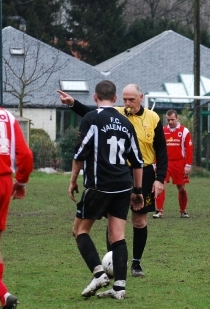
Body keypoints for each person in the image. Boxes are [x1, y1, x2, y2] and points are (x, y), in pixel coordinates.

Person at [58, 84, 168, 278]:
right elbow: (90, 112)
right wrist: (73, 103)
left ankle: (136, 263)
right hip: (119, 172)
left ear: (141, 97)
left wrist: (160, 179)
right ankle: (113, 264)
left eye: (131, 100)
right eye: (124, 99)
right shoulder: (117, 113)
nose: (127, 103)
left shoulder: (153, 118)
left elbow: (161, 149)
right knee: (114, 224)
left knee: (140, 221)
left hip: (144, 172)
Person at [69, 80, 144, 300]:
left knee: (79, 230)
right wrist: (137, 190)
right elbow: (137, 161)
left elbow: (80, 153)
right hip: (123, 185)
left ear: (95, 98)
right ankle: (119, 288)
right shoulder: (125, 122)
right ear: (114, 99)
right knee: (117, 235)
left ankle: (99, 273)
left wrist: (73, 180)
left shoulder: (92, 118)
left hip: (99, 185)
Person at [0, 78, 34, 309]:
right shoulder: (6, 116)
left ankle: (3, 297)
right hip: (4, 181)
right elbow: (25, 154)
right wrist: (21, 182)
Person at [153, 109, 193, 219]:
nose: (170, 122)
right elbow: (157, 149)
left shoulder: (184, 131)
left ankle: (183, 211)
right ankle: (159, 211)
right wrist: (155, 163)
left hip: (179, 163)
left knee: (181, 188)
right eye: (168, 120)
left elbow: (189, 149)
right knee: (160, 186)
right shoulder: (162, 131)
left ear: (177, 118)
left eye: (172, 120)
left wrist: (188, 165)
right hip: (165, 163)